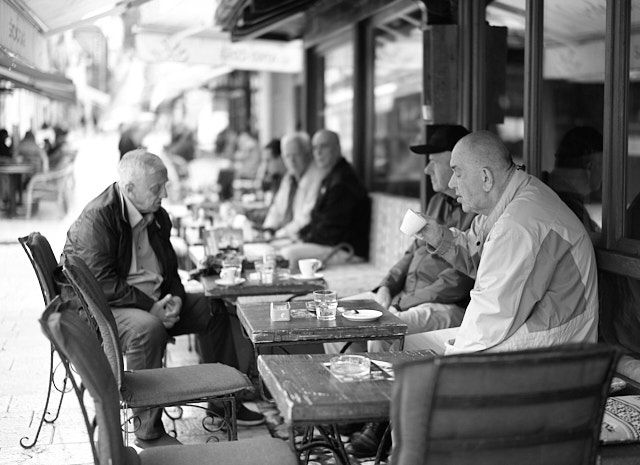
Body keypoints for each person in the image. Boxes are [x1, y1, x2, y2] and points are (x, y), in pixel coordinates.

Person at [62, 149, 264, 449]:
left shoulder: (157, 216)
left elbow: (170, 271)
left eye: (165, 185)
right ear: (129, 189)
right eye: (157, 188)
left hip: (150, 300)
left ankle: (222, 403)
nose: (165, 194)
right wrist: (151, 308)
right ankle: (147, 429)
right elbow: (101, 283)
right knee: (147, 328)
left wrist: (177, 299)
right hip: (102, 308)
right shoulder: (98, 219)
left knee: (215, 306)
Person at [336, 125, 476, 459]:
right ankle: (357, 408)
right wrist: (386, 286)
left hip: (448, 308)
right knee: (342, 313)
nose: (427, 169)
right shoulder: (438, 203)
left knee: (385, 328)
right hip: (408, 298)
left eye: (435, 161)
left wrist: (399, 302)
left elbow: (457, 281)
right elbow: (409, 255)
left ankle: (380, 422)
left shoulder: (475, 209)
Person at [414, 130, 598, 355]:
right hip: (528, 335)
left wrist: (447, 369)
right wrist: (437, 237)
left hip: (554, 352)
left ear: (485, 177)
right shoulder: (508, 201)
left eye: (457, 173)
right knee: (408, 344)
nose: (452, 183)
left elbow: (487, 320)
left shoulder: (519, 225)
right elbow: (476, 253)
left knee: (413, 356)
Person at [279, 129, 369, 270]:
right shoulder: (331, 177)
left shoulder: (343, 181)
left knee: (288, 253)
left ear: (338, 148)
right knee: (282, 247)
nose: (318, 152)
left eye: (324, 146)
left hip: (347, 250)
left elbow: (331, 231)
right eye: (315, 148)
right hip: (330, 244)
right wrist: (300, 235)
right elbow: (317, 218)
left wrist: (303, 239)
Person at [260, 132, 325, 240]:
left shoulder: (318, 178)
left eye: (296, 155)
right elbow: (277, 209)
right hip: (284, 236)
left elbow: (306, 219)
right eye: (287, 156)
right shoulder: (289, 178)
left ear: (308, 153)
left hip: (300, 237)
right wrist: (269, 228)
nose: (292, 161)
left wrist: (278, 235)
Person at [547, 126, 603, 232]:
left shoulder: (544, 189)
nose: (604, 173)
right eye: (603, 164)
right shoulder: (572, 211)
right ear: (590, 167)